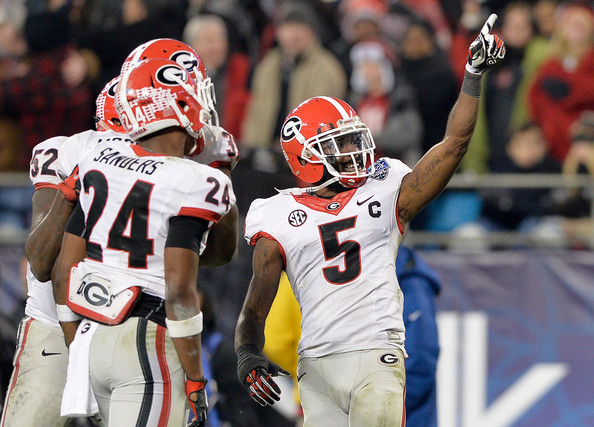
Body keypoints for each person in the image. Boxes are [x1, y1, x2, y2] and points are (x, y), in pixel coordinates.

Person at [234, 14, 505, 426]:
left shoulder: (385, 185)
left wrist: (472, 76)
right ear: (306, 157)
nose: (354, 150)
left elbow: (454, 144)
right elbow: (256, 306)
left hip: (377, 354)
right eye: (338, 144)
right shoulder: (277, 214)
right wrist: (247, 353)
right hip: (315, 366)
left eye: (351, 138)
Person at [51, 57, 237, 426]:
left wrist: (77, 348)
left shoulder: (99, 158)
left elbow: (62, 274)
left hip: (92, 337)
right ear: (178, 103)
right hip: (148, 340)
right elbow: (182, 290)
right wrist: (196, 377)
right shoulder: (197, 180)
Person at [1, 77, 124, 427]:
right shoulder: (69, 152)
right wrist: (71, 190)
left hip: (129, 331)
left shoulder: (175, 169)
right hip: (55, 326)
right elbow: (41, 262)